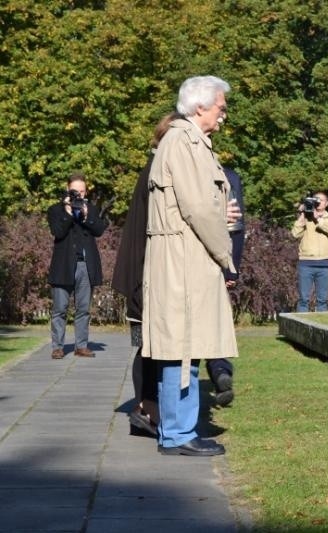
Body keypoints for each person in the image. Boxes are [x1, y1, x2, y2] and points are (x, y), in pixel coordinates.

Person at [142, 75, 238, 457]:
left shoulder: (187, 142)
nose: (223, 115)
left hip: (185, 255)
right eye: (220, 107)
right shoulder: (183, 142)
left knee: (185, 344)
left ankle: (179, 431)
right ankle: (179, 434)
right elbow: (198, 208)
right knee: (182, 344)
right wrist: (224, 253)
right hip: (185, 259)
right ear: (200, 107)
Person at [112, 112, 179, 437]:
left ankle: (146, 408)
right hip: (144, 275)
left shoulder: (152, 167)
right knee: (149, 347)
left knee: (149, 347)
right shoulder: (156, 170)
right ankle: (147, 410)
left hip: (141, 273)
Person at [47, 172, 107, 359]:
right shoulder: (55, 210)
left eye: (82, 191)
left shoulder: (91, 208)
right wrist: (67, 213)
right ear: (68, 189)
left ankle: (81, 345)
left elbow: (99, 230)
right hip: (63, 265)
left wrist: (87, 216)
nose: (79, 195)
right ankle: (58, 347)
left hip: (85, 265)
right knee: (60, 308)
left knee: (83, 309)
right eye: (75, 191)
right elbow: (57, 231)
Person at [205, 165, 245, 407]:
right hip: (219, 260)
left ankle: (218, 370)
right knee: (213, 322)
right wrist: (231, 267)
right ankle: (220, 368)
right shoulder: (229, 176)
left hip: (190, 261)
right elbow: (236, 228)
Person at [291, 191, 328, 312]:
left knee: (322, 300)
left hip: (324, 264)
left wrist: (317, 219)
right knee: (303, 299)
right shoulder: (306, 219)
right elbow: (295, 234)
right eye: (315, 199)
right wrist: (302, 215)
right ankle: (301, 327)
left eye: (321, 200)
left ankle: (321, 327)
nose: (317, 202)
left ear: (326, 203)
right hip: (305, 263)